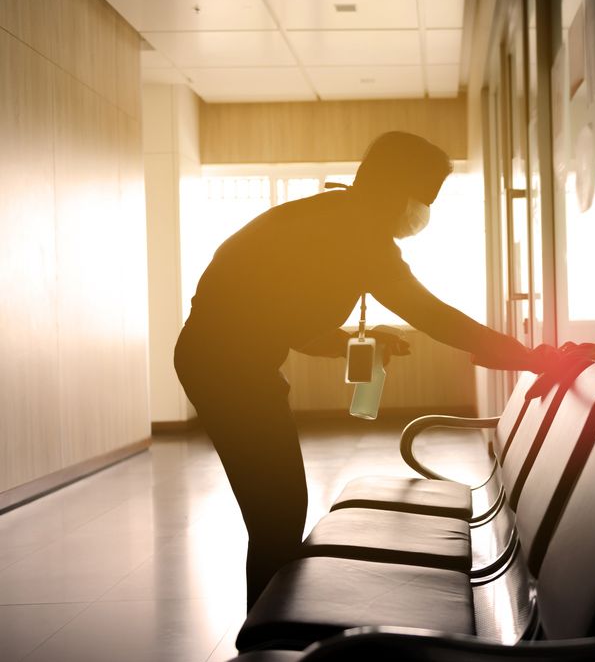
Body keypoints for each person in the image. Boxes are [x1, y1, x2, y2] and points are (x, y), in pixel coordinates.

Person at [174, 131, 556, 610]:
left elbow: (289, 324)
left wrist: (357, 342)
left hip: (227, 360)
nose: (424, 213)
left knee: (279, 509)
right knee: (277, 512)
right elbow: (432, 314)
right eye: (426, 197)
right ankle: (267, 638)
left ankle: (269, 625)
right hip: (226, 365)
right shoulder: (357, 232)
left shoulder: (332, 217)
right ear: (398, 188)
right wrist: (525, 356)